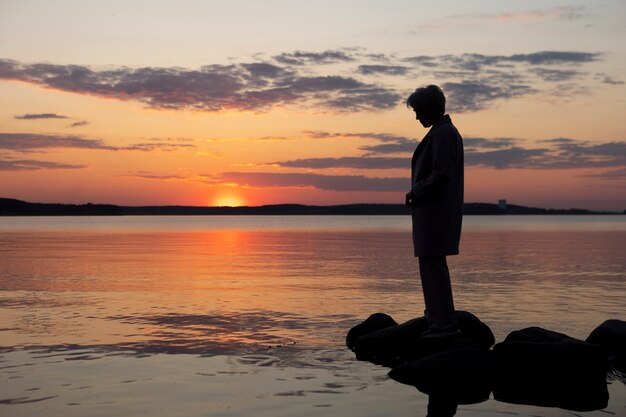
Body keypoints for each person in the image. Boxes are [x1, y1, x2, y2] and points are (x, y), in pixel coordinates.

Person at [405, 85, 464, 338]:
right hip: (433, 212)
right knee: (431, 266)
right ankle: (437, 318)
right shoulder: (442, 132)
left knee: (433, 268)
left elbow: (441, 174)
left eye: (419, 111)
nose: (417, 117)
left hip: (435, 213)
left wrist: (416, 191)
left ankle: (443, 324)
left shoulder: (443, 134)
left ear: (432, 108)